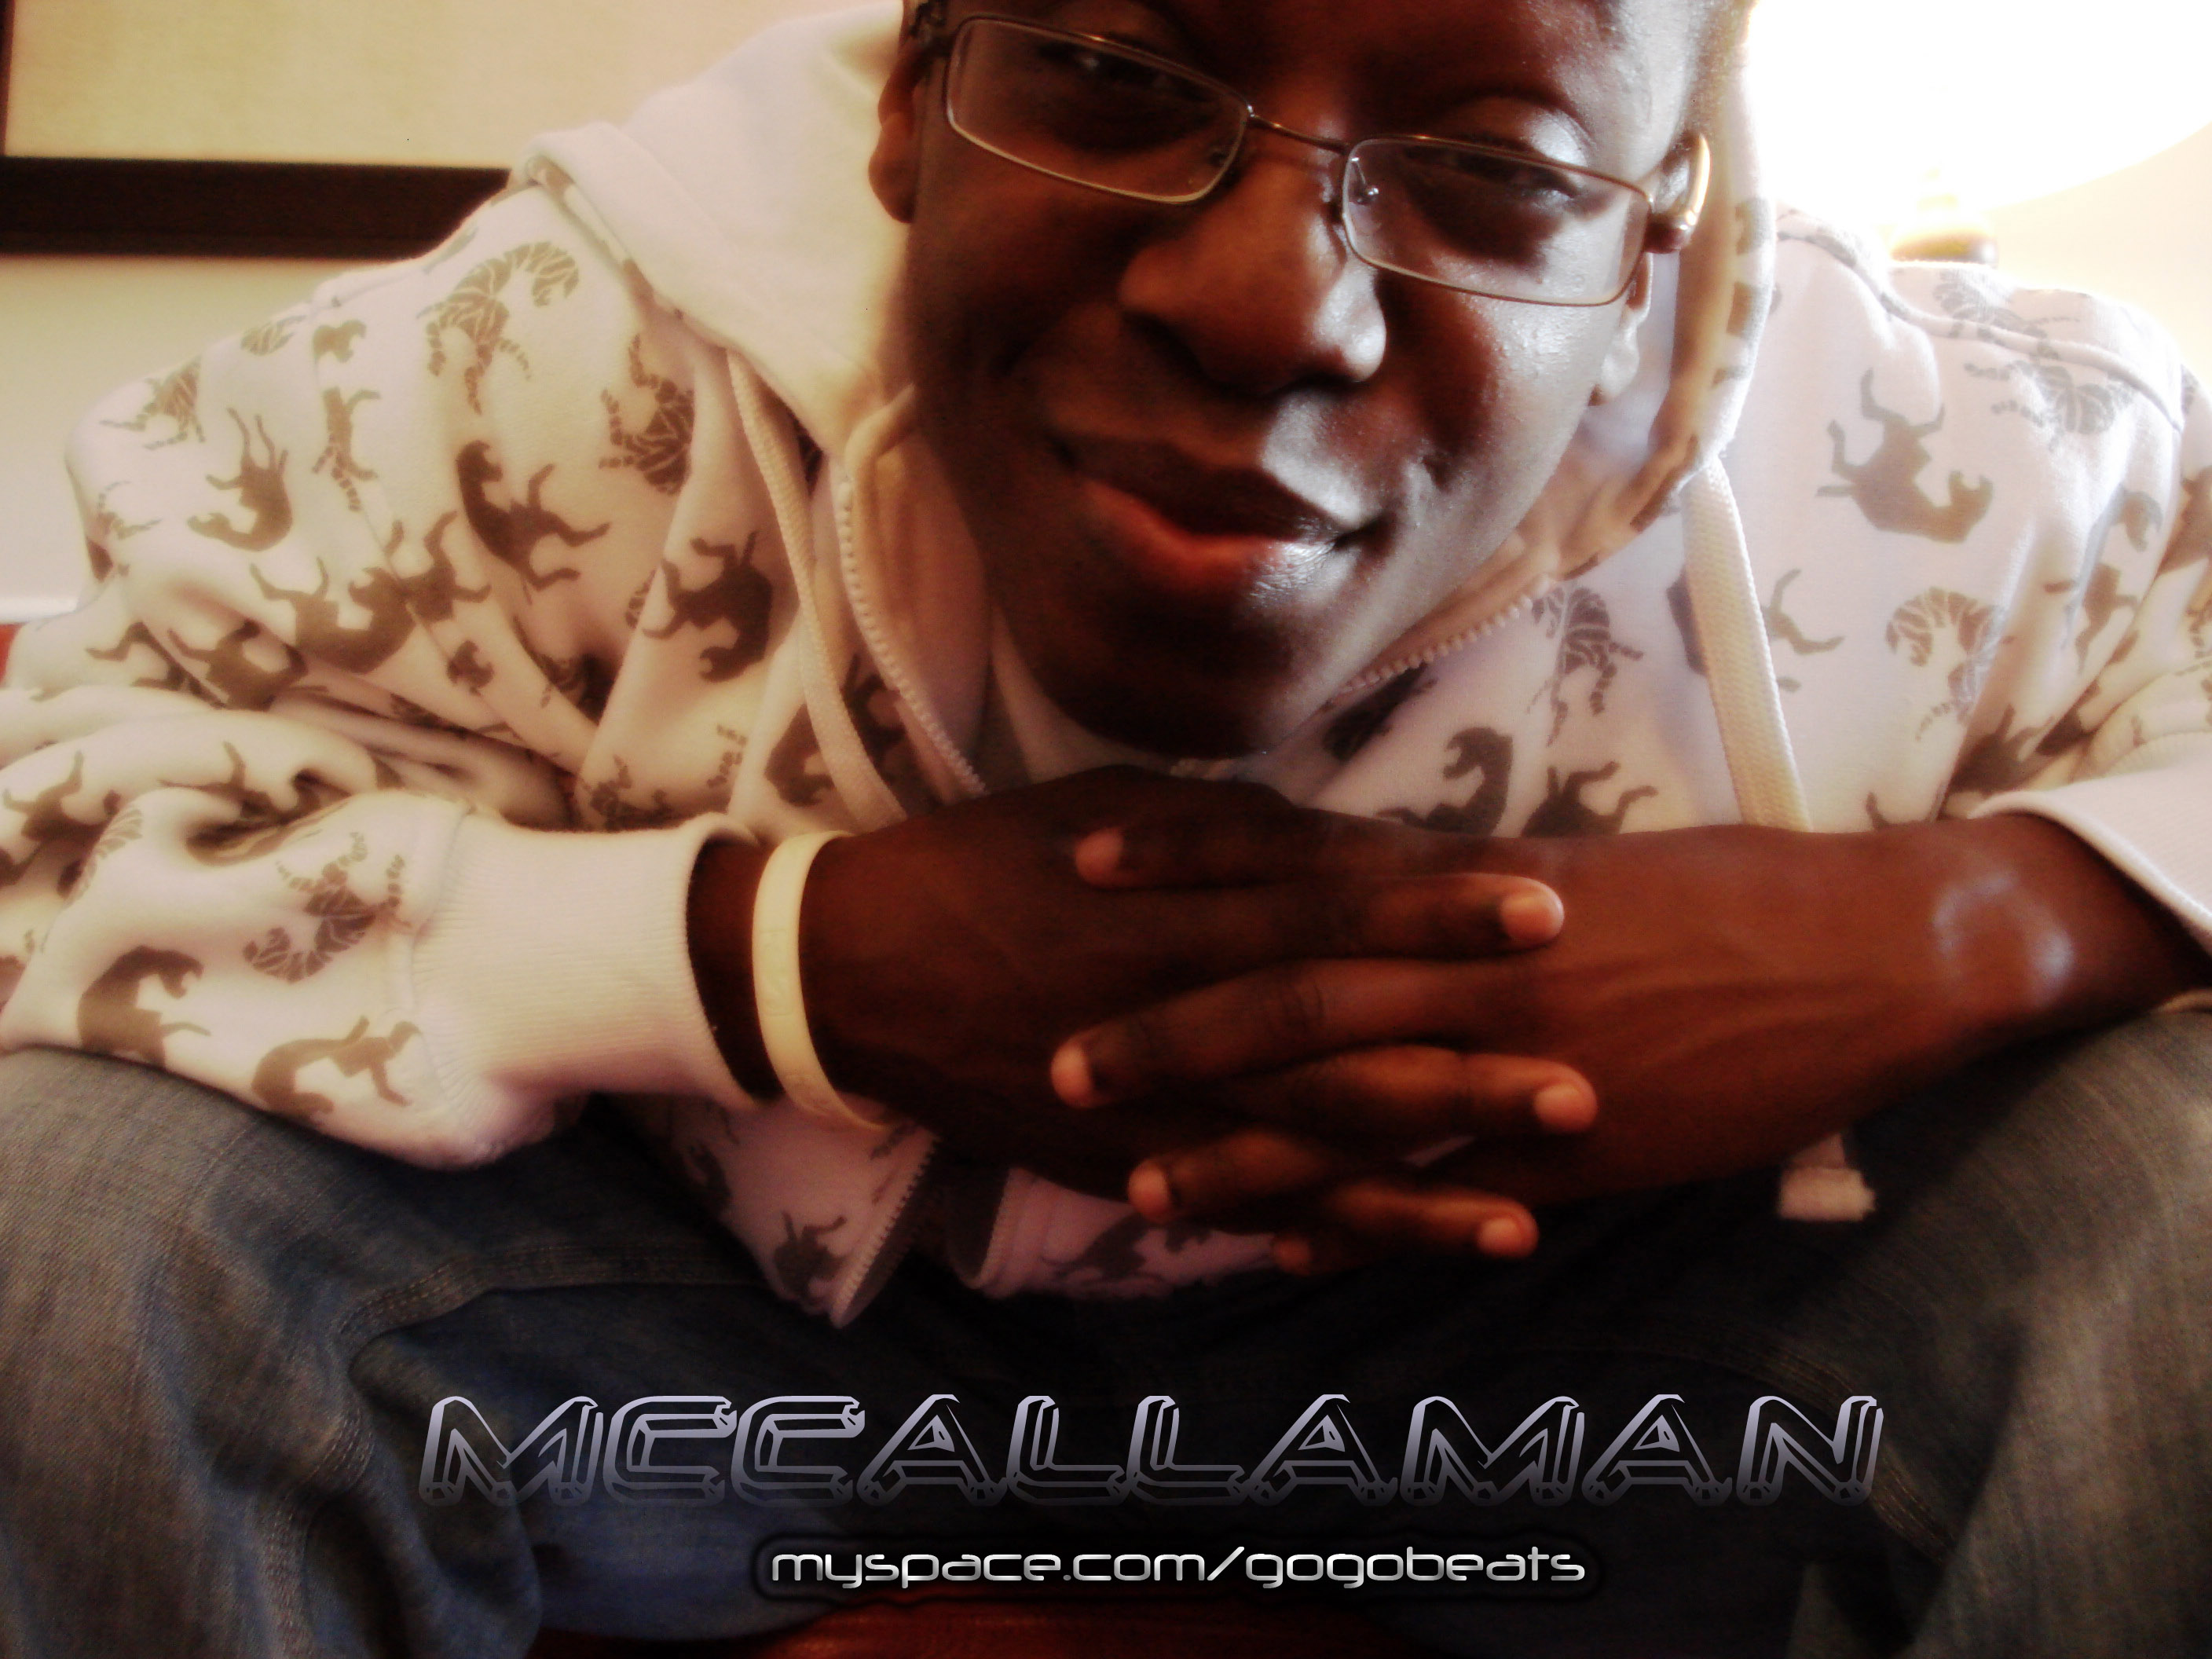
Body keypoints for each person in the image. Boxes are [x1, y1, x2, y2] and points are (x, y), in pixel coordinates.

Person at [1, 0, 2208, 1652]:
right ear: (911, 90)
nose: (1267, 305)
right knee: (83, 1215)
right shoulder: (555, 359)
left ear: (1658, 240)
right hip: (705, 1372)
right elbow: (50, 823)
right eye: (1117, 75)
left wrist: (1964, 921)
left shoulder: (1980, 453)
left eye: (1497, 170)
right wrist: (778, 964)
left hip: (1591, 1407)